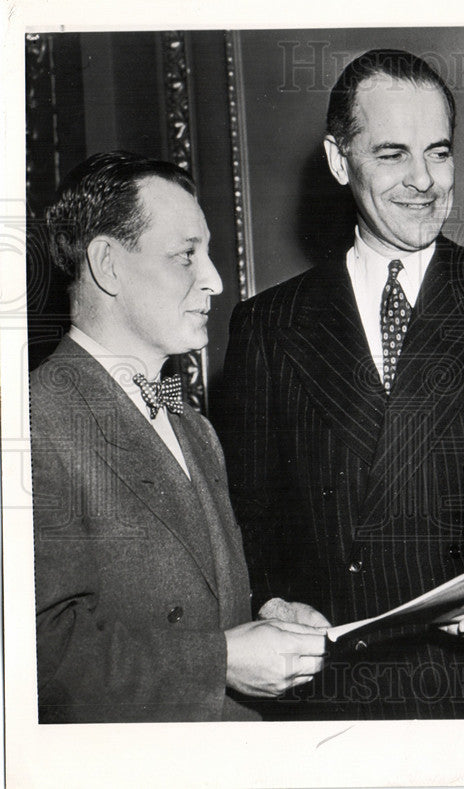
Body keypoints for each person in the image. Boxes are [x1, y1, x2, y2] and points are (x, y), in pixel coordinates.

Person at [217, 49, 464, 719]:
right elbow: (245, 517)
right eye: (393, 154)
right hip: (336, 700)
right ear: (341, 161)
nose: (424, 180)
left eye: (440, 152)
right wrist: (268, 600)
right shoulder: (269, 326)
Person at [31, 152, 329, 723]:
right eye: (186, 255)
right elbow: (39, 660)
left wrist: (267, 616)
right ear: (108, 265)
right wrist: (219, 660)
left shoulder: (194, 426)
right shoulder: (34, 423)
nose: (215, 280)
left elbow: (202, 591)